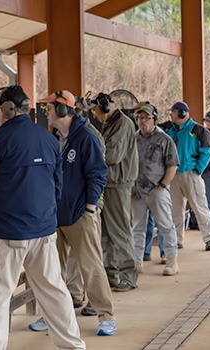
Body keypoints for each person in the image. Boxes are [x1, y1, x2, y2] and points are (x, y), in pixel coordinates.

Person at [0, 85, 85, 350]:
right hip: (45, 231)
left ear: (8, 110)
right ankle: (73, 346)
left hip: (9, 233)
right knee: (54, 292)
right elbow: (58, 184)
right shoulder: (48, 138)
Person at [28, 90, 116, 336]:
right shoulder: (53, 138)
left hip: (79, 214)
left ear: (64, 110)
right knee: (52, 270)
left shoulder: (86, 138)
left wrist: (90, 206)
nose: (47, 113)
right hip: (54, 215)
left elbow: (98, 173)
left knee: (91, 267)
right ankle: (52, 315)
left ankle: (106, 315)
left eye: (50, 108)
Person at [91, 92, 139, 292]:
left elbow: (112, 155)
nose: (94, 115)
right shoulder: (111, 123)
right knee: (106, 235)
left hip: (118, 184)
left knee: (120, 231)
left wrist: (91, 150)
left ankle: (128, 275)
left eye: (95, 111)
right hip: (109, 183)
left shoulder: (123, 124)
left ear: (104, 108)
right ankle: (111, 274)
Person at [158, 101, 210, 251]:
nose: (171, 114)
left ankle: (209, 239)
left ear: (182, 113)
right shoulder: (167, 128)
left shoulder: (199, 130)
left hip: (191, 173)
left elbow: (206, 152)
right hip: (173, 174)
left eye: (173, 112)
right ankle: (177, 240)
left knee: (200, 207)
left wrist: (197, 171)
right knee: (175, 210)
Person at [130, 102, 180, 276]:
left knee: (165, 225)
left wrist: (163, 185)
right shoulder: (133, 138)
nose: (143, 121)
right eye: (139, 118)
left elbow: (172, 165)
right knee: (137, 228)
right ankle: (136, 262)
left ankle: (172, 260)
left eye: (146, 118)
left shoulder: (164, 139)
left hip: (157, 190)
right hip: (137, 191)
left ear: (154, 120)